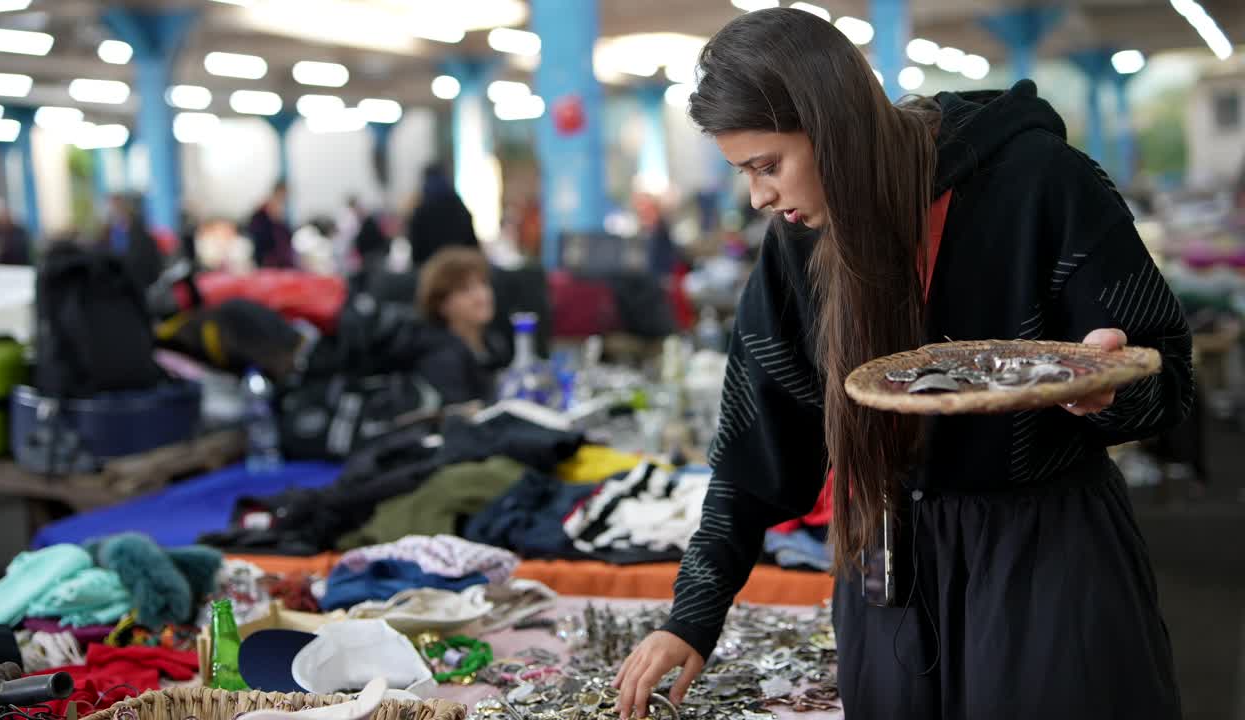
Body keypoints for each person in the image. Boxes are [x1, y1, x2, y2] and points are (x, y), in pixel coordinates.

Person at [613, 9, 1191, 720]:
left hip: (1043, 559)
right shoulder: (795, 247)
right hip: (885, 570)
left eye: (769, 166)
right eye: (746, 172)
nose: (760, 197)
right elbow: (754, 452)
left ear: (832, 126)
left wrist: (1109, 392)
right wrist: (690, 616)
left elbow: (1170, 375)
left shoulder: (1041, 182)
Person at [413, 247, 510, 404]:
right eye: (465, 289)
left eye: (483, 284)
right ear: (441, 304)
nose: (481, 296)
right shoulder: (441, 357)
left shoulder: (495, 344)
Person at [408, 164, 479, 267]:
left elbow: (416, 253)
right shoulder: (460, 207)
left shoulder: (422, 211)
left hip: (432, 272)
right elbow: (472, 246)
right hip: (461, 270)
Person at [102, 193, 162, 291]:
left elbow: (145, 256)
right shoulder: (111, 231)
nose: (113, 211)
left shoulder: (137, 230)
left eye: (116, 208)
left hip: (138, 280)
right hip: (123, 280)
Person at [248, 182, 294, 268]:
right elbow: (256, 230)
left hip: (278, 254)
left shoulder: (280, 210)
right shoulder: (264, 208)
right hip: (266, 253)